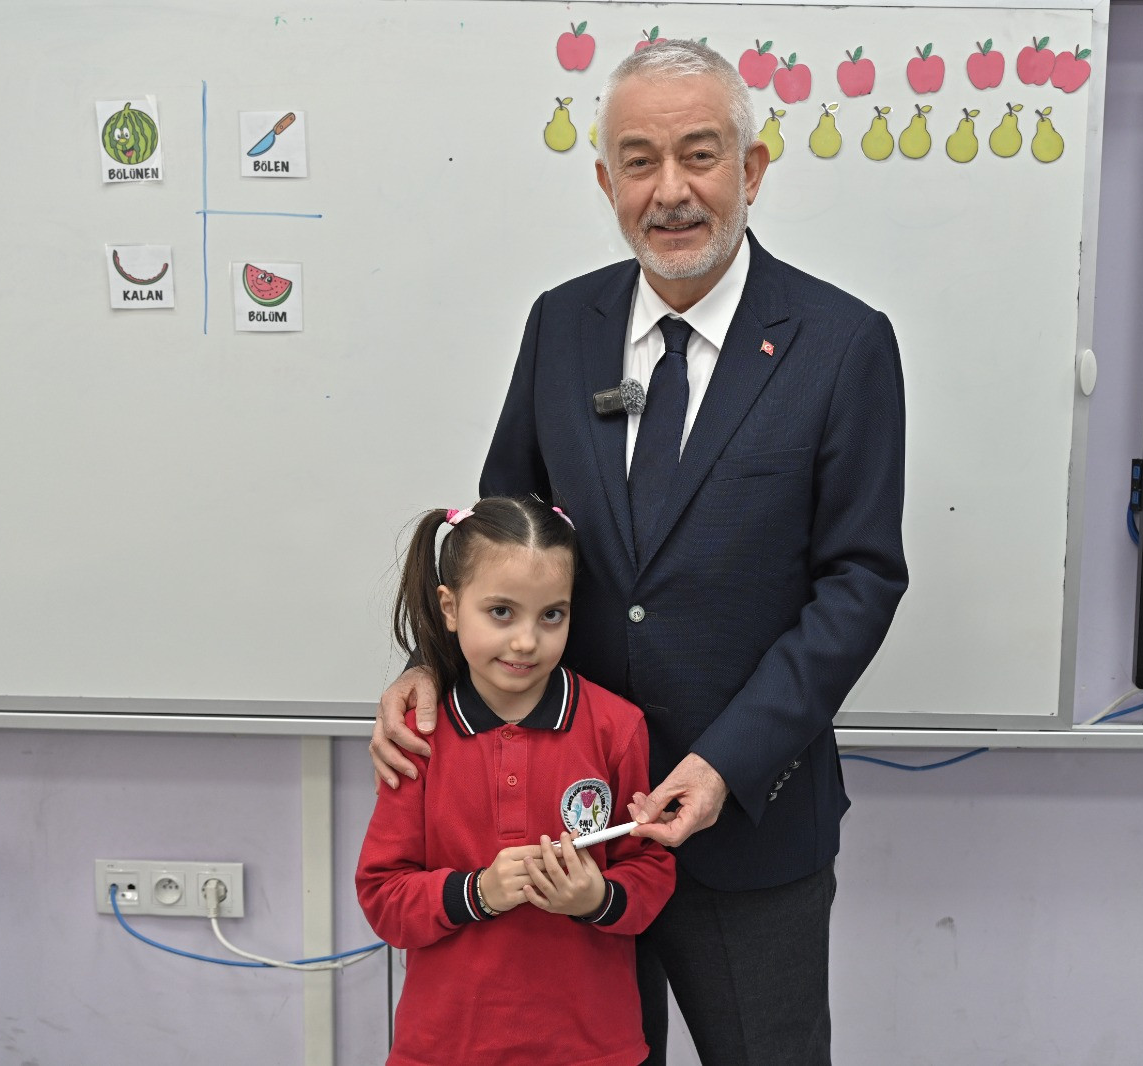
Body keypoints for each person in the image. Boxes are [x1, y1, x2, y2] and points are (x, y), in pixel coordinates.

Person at [371, 40, 907, 1066]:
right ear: (605, 180)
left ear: (751, 170)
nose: (671, 192)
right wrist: (427, 667)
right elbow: (500, 536)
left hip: (747, 825)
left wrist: (726, 761)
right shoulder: (560, 324)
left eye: (699, 156)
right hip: (563, 834)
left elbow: (860, 582)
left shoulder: (841, 344)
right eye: (639, 161)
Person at [356, 496, 675, 1066]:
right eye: (501, 612)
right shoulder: (415, 737)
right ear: (450, 608)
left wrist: (598, 898)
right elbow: (383, 895)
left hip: (592, 1050)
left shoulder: (617, 728)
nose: (527, 641)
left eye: (551, 615)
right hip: (446, 1049)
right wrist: (477, 892)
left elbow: (651, 869)